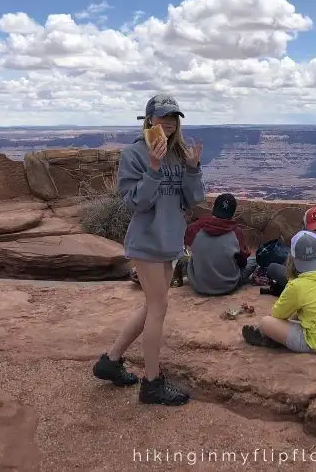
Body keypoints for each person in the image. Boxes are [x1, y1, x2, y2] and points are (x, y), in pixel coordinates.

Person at [92, 94, 205, 406]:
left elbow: (194, 198)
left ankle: (111, 361)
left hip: (170, 240)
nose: (168, 123)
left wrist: (193, 169)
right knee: (158, 308)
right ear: (149, 119)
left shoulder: (179, 153)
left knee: (152, 305)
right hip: (146, 240)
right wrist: (154, 168)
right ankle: (152, 384)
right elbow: (135, 202)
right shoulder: (134, 154)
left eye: (174, 117)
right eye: (163, 116)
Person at [242, 230, 316, 357]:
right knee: (304, 312)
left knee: (265, 322)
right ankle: (279, 338)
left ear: (293, 258)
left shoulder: (297, 285)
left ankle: (273, 339)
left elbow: (277, 314)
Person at [184, 193, 257, 296]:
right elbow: (243, 263)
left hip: (199, 285)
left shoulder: (195, 227)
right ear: (233, 213)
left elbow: (187, 245)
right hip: (228, 286)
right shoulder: (236, 232)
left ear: (213, 207)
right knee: (254, 260)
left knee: (191, 258)